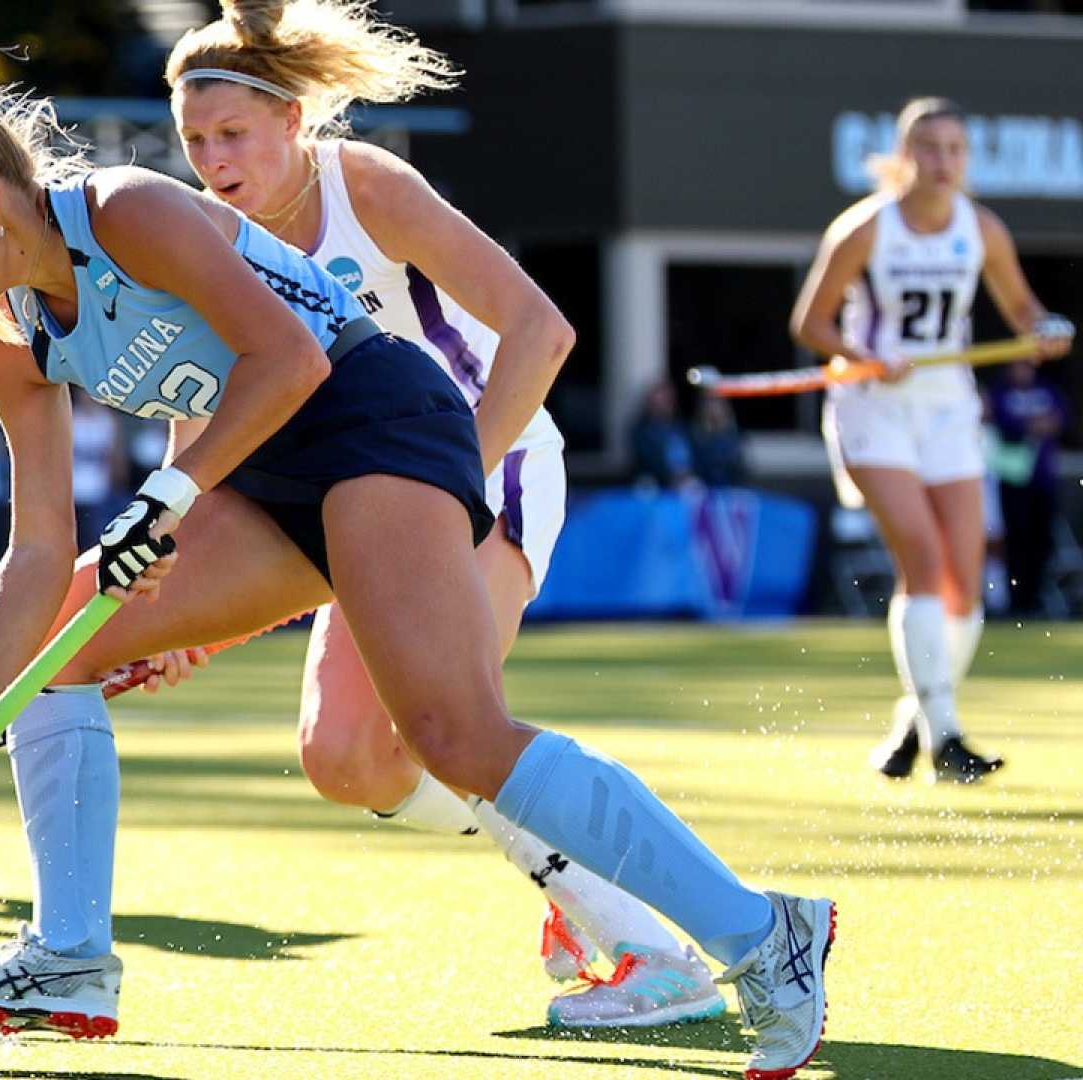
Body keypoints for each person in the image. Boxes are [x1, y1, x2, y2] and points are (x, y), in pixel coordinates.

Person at [0, 39, 835, 1080]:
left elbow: (292, 357)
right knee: (59, 640)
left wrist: (171, 496)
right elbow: (37, 547)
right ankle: (69, 962)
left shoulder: (127, 213)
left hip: (376, 420)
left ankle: (762, 935)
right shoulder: (13, 341)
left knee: (454, 732)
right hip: (268, 472)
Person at [134, 0, 717, 1027]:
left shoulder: (363, 187)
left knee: (451, 728)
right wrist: (176, 602)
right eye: (194, 141)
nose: (214, 160)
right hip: (357, 497)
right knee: (347, 760)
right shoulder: (197, 236)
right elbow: (204, 428)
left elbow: (542, 331)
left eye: (233, 135)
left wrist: (457, 486)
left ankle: (659, 951)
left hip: (490, 462)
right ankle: (578, 880)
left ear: (293, 123)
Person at [790, 96, 1073, 783]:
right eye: (929, 148)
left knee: (965, 584)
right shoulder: (864, 229)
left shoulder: (981, 229)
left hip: (947, 410)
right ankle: (947, 737)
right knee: (921, 556)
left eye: (955, 150)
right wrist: (863, 353)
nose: (943, 163)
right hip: (874, 409)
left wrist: (1047, 325)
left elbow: (1022, 308)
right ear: (904, 155)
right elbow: (811, 324)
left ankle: (914, 723)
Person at [990, 361, 1069, 614]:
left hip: (1043, 478)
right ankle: (1017, 600)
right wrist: (1030, 426)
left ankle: (1036, 598)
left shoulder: (1047, 389)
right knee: (1016, 540)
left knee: (1042, 540)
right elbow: (1005, 425)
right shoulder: (1001, 391)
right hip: (1012, 478)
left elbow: (1061, 419)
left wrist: (1031, 425)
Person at [631, 381, 697, 488]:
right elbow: (647, 461)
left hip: (685, 483)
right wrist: (671, 477)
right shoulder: (641, 431)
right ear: (651, 403)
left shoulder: (682, 427)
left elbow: (694, 455)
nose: (664, 405)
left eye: (668, 400)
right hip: (655, 485)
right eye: (660, 401)